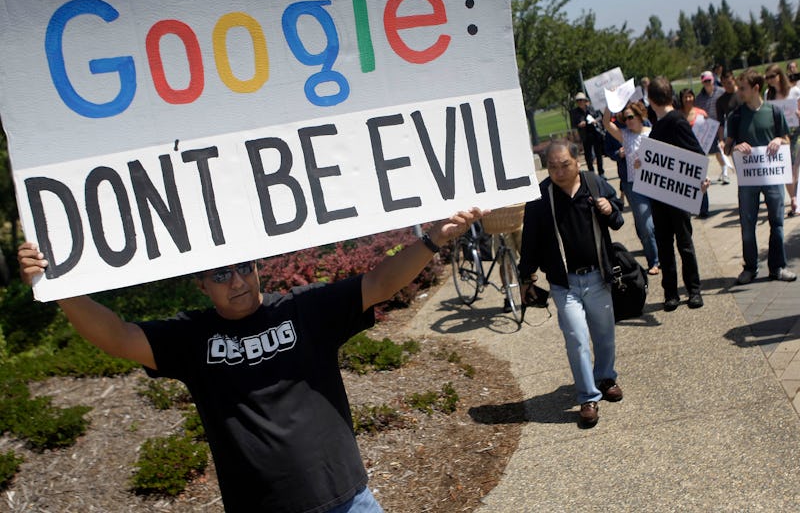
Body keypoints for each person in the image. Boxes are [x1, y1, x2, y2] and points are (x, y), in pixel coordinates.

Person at [17, 207, 483, 513]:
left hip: (347, 500)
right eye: (221, 274)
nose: (237, 281)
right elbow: (118, 337)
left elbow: (380, 284)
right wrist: (59, 289)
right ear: (201, 284)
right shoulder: (191, 337)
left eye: (245, 267)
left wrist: (431, 241)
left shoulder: (305, 309)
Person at [518, 140, 624, 428]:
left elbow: (618, 217)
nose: (559, 171)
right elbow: (530, 240)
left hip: (597, 276)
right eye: (552, 166)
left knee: (604, 335)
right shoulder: (542, 196)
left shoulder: (594, 183)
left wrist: (608, 208)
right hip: (565, 283)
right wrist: (526, 277)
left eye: (564, 164)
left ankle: (605, 378)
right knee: (576, 339)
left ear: (577, 162)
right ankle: (588, 397)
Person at [724, 68, 797, 285]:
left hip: (772, 177)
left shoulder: (773, 112)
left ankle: (778, 267)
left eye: (743, 88)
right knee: (748, 225)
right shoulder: (736, 116)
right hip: (748, 182)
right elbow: (727, 148)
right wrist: (736, 146)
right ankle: (750, 267)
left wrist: (779, 141)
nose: (740, 92)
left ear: (756, 88)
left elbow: (785, 138)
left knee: (777, 222)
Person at [647, 77, 709, 311]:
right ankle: (671, 293)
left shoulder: (675, 121)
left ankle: (693, 290)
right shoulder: (662, 121)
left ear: (651, 100)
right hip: (661, 195)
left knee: (683, 243)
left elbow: (696, 152)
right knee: (665, 245)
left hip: (677, 195)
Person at [602, 101, 660, 275]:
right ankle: (654, 261)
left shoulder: (652, 133)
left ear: (640, 116)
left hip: (654, 183)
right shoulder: (624, 136)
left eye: (630, 117)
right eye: (624, 118)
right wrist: (608, 102)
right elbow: (606, 124)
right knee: (646, 225)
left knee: (659, 223)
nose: (627, 121)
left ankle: (663, 254)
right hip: (634, 185)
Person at [764, 63, 800, 216]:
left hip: (796, 131)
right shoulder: (768, 95)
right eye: (767, 78)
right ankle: (793, 198)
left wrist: (797, 113)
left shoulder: (794, 91)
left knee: (795, 166)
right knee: (787, 166)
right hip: (779, 134)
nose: (770, 80)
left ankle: (796, 198)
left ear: (780, 76)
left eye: (772, 76)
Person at [696, 70, 734, 184]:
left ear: (713, 80)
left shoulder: (721, 92)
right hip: (708, 128)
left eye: (709, 80)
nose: (707, 83)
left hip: (722, 124)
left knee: (722, 150)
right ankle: (721, 171)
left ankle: (726, 173)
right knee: (714, 152)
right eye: (705, 81)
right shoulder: (699, 98)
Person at [679, 88, 711, 218]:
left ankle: (703, 208)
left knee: (701, 179)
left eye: (690, 96)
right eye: (685, 97)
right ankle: (689, 207)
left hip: (699, 151)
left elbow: (709, 130)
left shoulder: (701, 113)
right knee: (686, 180)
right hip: (683, 152)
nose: (688, 99)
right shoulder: (678, 115)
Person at [570, 92, 605, 176]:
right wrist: (580, 124)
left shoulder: (592, 108)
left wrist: (595, 120)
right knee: (588, 155)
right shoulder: (575, 112)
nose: (580, 102)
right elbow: (573, 124)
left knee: (598, 154)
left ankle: (601, 172)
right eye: (578, 101)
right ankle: (591, 172)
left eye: (581, 100)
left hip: (595, 133)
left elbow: (600, 116)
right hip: (585, 135)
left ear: (585, 101)